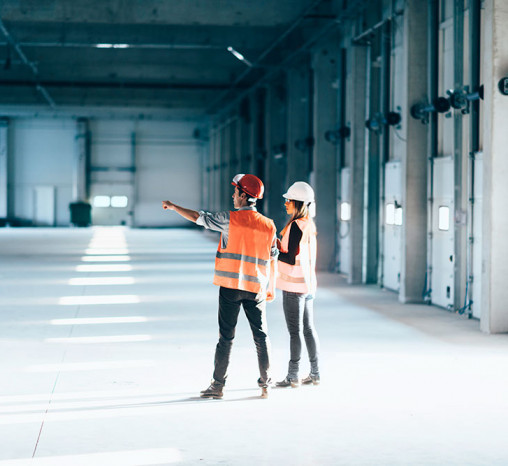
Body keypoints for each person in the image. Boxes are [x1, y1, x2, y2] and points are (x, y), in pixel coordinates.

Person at [162, 174, 278, 399]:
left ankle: (217, 386)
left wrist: (175, 206)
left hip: (231, 287)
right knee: (261, 336)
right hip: (256, 288)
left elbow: (198, 217)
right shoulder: (269, 225)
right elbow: (273, 254)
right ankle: (266, 384)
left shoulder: (230, 219)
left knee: (226, 337)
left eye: (236, 192)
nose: (233, 196)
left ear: (244, 196)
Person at [275, 181, 321, 388]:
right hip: (308, 285)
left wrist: (273, 251)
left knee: (295, 332)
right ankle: (315, 373)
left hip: (294, 288)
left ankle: (293, 375)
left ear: (298, 203)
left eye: (288, 200)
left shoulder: (295, 225)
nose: (285, 203)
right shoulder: (309, 225)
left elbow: (289, 258)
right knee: (309, 329)